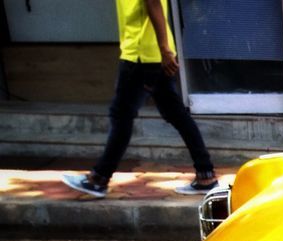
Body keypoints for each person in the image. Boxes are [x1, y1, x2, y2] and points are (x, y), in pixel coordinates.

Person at [62, 0, 217, 199]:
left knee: (121, 115)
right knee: (176, 114)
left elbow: (153, 3)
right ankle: (206, 175)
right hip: (151, 52)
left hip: (141, 54)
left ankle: (98, 179)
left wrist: (164, 49)